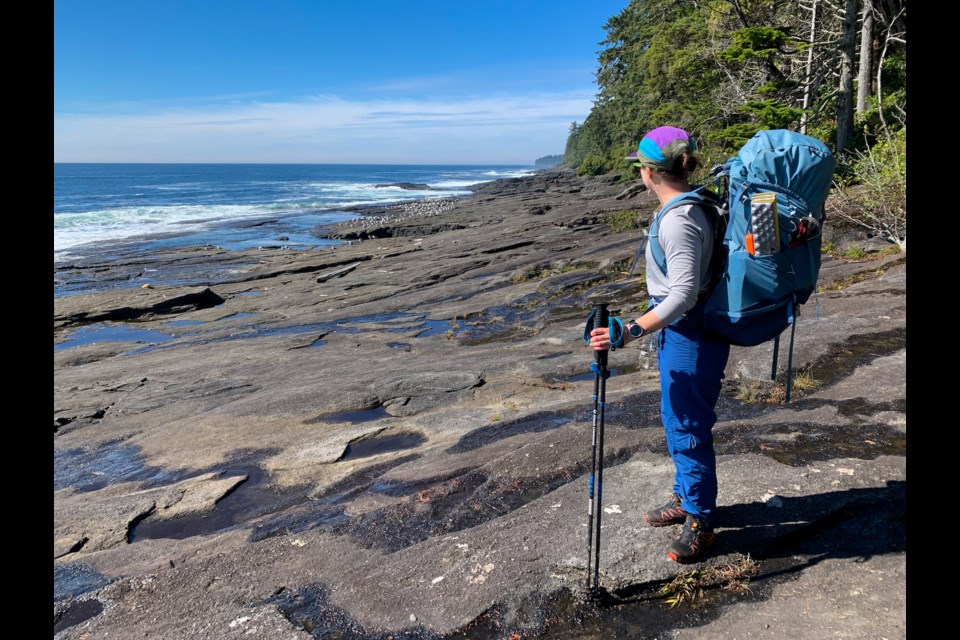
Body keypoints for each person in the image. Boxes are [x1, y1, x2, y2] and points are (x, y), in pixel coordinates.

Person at [587, 125, 730, 563]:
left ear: (649, 171)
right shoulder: (692, 204)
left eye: (640, 167)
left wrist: (630, 330)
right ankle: (687, 497)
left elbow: (684, 292)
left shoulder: (680, 219)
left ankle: (701, 521)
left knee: (686, 426)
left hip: (692, 334)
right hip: (686, 330)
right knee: (678, 419)